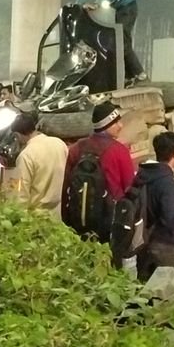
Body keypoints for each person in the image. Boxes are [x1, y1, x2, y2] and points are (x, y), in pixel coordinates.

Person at [61, 101, 136, 260]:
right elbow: (130, 189)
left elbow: (66, 187)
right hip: (109, 224)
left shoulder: (76, 148)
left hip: (78, 222)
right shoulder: (119, 151)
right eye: (116, 122)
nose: (121, 126)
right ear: (106, 124)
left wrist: (67, 220)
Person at [77, 0, 144, 83]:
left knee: (121, 41)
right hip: (119, 10)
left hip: (128, 7)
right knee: (118, 41)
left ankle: (139, 73)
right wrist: (75, 6)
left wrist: (96, 4)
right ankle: (130, 76)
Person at [133, 131, 174, 282]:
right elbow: (169, 219)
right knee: (164, 297)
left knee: (143, 293)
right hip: (162, 245)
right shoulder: (168, 182)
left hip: (142, 242)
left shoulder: (142, 175)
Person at [6, 112, 68, 215]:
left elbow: (21, 194)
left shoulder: (26, 156)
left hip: (37, 218)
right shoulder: (59, 144)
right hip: (59, 213)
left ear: (16, 134)